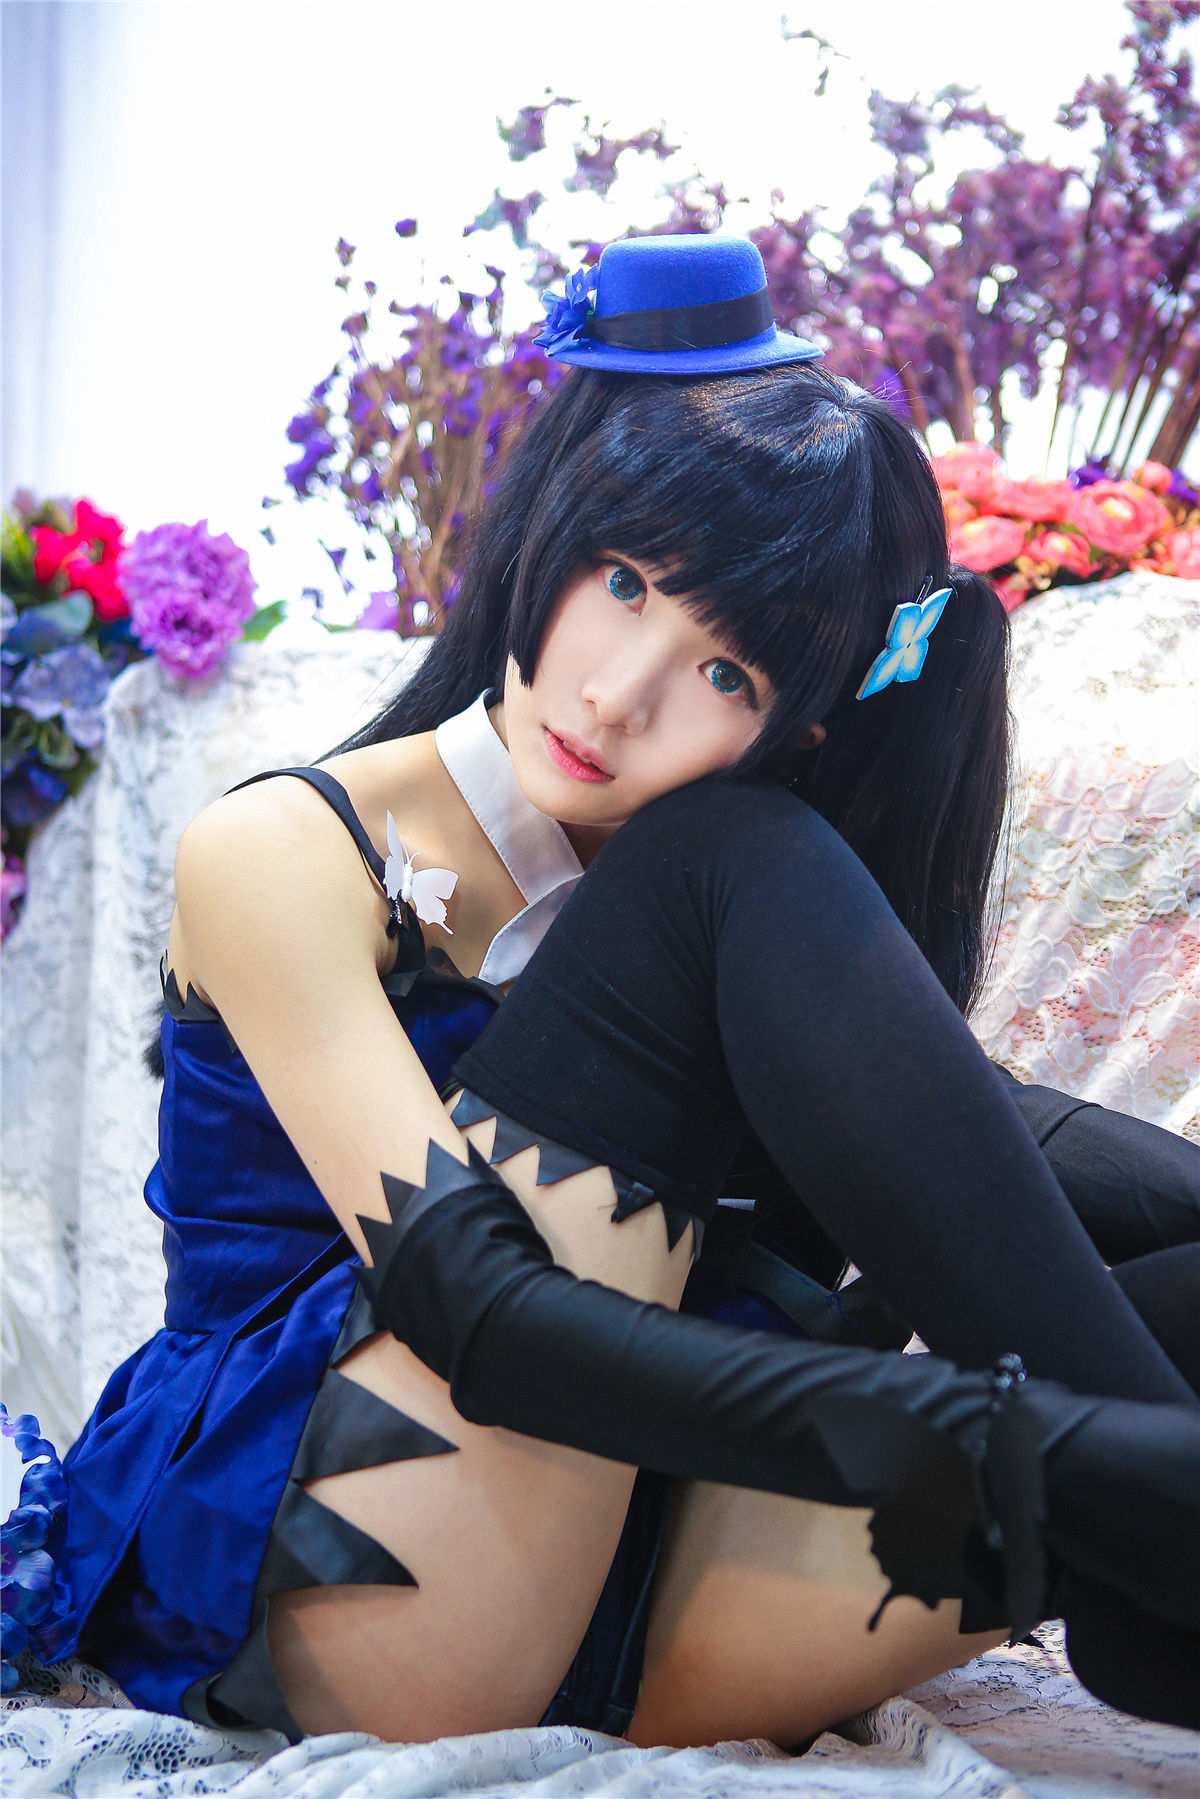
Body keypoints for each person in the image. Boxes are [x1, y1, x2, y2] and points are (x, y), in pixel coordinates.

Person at [14, 235, 1199, 1749]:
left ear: (800, 726)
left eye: (727, 676)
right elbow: (482, 1317)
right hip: (357, 1565)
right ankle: (1159, 1532)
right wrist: (1032, 1439)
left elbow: (973, 1146)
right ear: (554, 521)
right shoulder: (282, 852)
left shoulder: (721, 914)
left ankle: (1163, 1567)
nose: (617, 695)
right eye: (626, 581)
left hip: (653, 1590)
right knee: (729, 860)